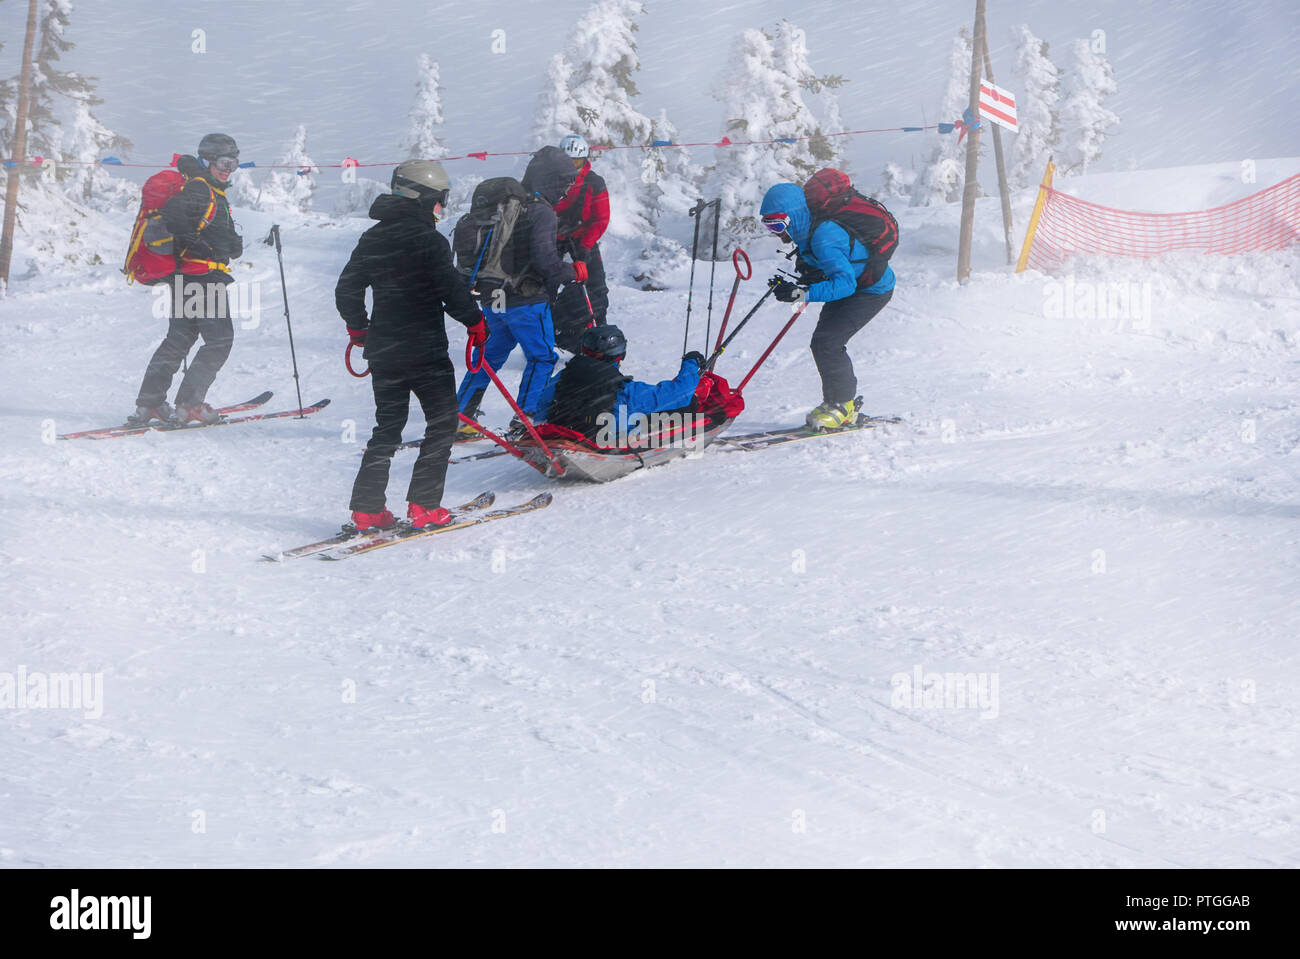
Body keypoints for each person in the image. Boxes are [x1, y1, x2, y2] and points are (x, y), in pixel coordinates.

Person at [335, 160, 488, 531]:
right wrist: (476, 322)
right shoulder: (429, 240)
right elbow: (451, 292)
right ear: (423, 198)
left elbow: (346, 289)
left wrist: (359, 331)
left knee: (387, 427)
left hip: (384, 350)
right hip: (424, 351)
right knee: (442, 422)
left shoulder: (374, 237)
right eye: (440, 201)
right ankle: (424, 507)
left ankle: (367, 510)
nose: (441, 209)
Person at [455, 145, 581, 434]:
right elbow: (545, 261)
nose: (566, 191)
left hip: (493, 298)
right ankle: (527, 422)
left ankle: (462, 417)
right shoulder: (541, 211)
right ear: (552, 180)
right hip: (526, 300)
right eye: (564, 183)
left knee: (489, 358)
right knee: (542, 358)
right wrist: (572, 271)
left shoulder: (509, 206)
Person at [759, 180, 897, 430]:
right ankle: (834, 402)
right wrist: (800, 283)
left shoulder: (824, 235)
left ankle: (843, 406)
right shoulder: (805, 231)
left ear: (793, 216)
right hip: (854, 286)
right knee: (822, 343)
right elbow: (824, 265)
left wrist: (802, 293)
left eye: (778, 224)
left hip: (871, 290)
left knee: (829, 343)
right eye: (769, 225)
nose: (776, 233)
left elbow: (845, 285)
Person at [129, 133, 244, 426]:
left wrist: (231, 242)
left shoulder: (208, 191)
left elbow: (203, 227)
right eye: (222, 162)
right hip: (203, 278)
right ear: (207, 161)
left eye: (233, 163)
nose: (227, 169)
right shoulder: (200, 189)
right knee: (220, 341)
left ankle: (150, 404)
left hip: (189, 278)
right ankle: (190, 404)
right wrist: (194, 244)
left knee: (179, 339)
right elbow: (173, 213)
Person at [540, 325, 704, 443]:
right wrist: (692, 362)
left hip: (565, 429)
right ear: (620, 355)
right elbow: (681, 394)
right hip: (605, 438)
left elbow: (541, 406)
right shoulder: (624, 390)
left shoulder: (565, 375)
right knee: (686, 406)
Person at [553, 133, 610, 328]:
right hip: (551, 242)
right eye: (567, 160)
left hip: (582, 241)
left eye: (576, 161)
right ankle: (549, 334)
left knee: (597, 288)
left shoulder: (594, 182)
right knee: (545, 289)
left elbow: (601, 218)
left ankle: (599, 331)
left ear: (584, 160)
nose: (571, 166)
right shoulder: (548, 180)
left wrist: (584, 247)